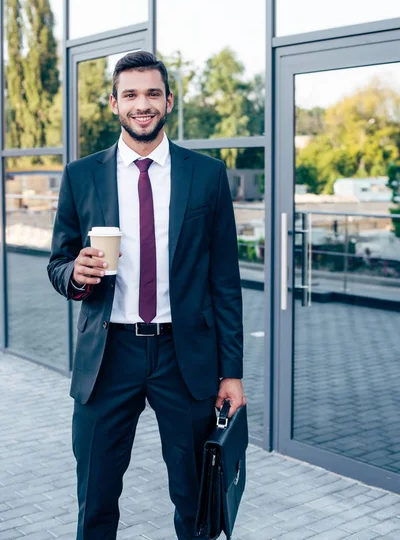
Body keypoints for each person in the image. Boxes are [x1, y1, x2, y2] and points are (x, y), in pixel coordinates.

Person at [47, 51, 245, 540]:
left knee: (197, 503)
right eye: (130, 95)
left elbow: (225, 281)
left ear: (169, 101)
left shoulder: (206, 175)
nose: (142, 104)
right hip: (108, 356)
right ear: (114, 103)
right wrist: (77, 272)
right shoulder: (81, 176)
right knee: (94, 503)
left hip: (186, 356)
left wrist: (233, 374)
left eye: (152, 93)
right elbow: (57, 263)